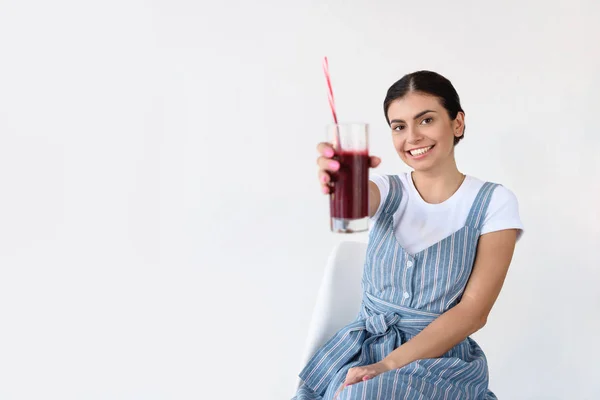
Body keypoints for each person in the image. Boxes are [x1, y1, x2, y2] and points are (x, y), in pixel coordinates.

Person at [293, 70, 524, 400]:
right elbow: (358, 199)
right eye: (399, 126)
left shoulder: (494, 202)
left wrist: (389, 365)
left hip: (439, 359)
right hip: (362, 353)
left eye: (426, 120)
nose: (412, 136)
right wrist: (339, 178)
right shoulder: (388, 190)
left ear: (457, 123)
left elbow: (474, 313)